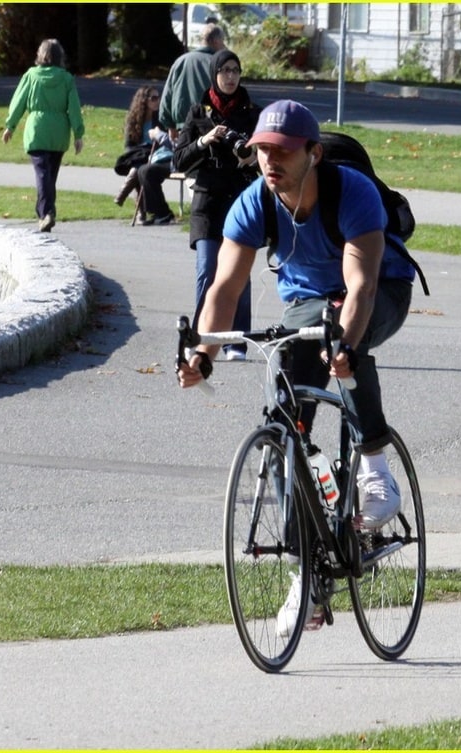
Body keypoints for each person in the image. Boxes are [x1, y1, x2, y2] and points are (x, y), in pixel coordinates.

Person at [178, 98, 414, 528]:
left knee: (338, 344)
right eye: (264, 149)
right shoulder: (254, 203)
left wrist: (345, 343)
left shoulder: (351, 192)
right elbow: (224, 289)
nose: (271, 160)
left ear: (314, 153)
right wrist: (203, 355)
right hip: (310, 302)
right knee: (285, 417)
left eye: (284, 150)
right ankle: (306, 573)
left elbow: (362, 284)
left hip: (382, 291)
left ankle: (376, 471)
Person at [173, 49, 260, 361]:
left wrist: (250, 159)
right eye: (224, 70)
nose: (230, 76)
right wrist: (204, 140)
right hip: (207, 202)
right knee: (208, 271)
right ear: (214, 74)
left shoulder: (252, 113)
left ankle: (236, 341)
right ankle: (201, 338)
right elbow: (179, 159)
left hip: (240, 201)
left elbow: (267, 162)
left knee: (239, 273)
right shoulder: (198, 112)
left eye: (235, 70)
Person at [2, 38, 84, 233]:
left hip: (37, 130)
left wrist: (10, 125)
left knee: (42, 174)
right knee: (50, 175)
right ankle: (44, 213)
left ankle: (46, 212)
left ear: (41, 55)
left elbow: (18, 101)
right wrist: (78, 133)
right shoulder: (66, 79)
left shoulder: (31, 76)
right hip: (58, 132)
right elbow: (74, 108)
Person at [114, 85, 176, 225]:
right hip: (140, 155)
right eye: (153, 98)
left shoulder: (161, 118)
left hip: (159, 155)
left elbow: (167, 142)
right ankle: (149, 212)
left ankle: (140, 209)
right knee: (139, 166)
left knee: (140, 169)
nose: (157, 101)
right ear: (143, 101)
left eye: (158, 98)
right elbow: (129, 146)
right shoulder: (134, 120)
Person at [159, 24, 226, 141]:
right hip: (211, 129)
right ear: (216, 41)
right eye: (222, 41)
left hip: (182, 127)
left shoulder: (180, 61)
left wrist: (170, 126)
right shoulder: (220, 63)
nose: (224, 45)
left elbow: (167, 96)